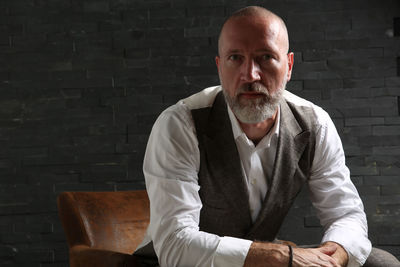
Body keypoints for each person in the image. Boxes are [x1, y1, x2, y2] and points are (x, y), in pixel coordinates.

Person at [134, 6, 399, 267]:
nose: (250, 74)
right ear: (219, 67)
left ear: (289, 65)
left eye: (266, 57)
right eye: (235, 58)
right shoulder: (180, 124)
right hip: (184, 261)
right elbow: (175, 244)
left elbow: (346, 214)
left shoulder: (314, 124)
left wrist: (335, 255)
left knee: (380, 262)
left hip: (268, 259)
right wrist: (280, 257)